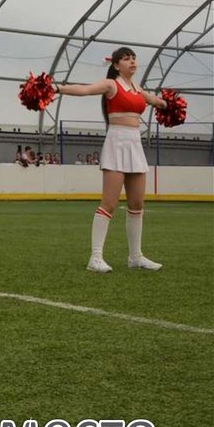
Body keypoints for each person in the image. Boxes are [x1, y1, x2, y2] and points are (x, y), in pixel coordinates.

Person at [54, 47, 167, 273]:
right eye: (126, 59)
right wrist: (56, 87)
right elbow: (85, 90)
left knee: (137, 204)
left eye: (134, 58)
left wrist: (168, 104)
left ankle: (135, 256)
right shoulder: (111, 85)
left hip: (135, 144)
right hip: (116, 142)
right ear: (116, 65)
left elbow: (156, 101)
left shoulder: (137, 88)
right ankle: (95, 257)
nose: (132, 62)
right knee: (109, 203)